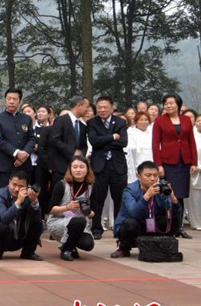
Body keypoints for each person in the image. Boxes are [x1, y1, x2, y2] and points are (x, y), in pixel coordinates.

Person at [111, 161, 183, 258]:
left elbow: (173, 214)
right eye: (148, 175)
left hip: (153, 226)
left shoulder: (161, 189)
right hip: (135, 227)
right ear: (138, 176)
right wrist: (147, 196)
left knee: (172, 218)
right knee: (130, 223)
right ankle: (124, 248)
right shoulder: (129, 191)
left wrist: (173, 198)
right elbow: (134, 213)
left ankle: (164, 245)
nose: (152, 179)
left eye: (155, 175)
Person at [152, 94, 197, 239]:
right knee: (169, 193)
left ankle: (179, 227)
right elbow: (155, 144)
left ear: (178, 104)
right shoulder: (159, 121)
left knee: (181, 195)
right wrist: (158, 164)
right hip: (168, 162)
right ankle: (168, 225)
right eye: (166, 103)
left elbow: (191, 142)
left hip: (184, 162)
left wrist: (194, 162)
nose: (168, 105)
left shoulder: (186, 120)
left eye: (171, 103)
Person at [87, 95, 128, 240]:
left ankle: (119, 227)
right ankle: (96, 228)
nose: (102, 110)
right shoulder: (92, 122)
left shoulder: (121, 122)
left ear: (112, 107)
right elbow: (94, 141)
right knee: (98, 198)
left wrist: (103, 141)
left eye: (105, 107)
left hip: (117, 166)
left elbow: (123, 142)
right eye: (99, 107)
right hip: (99, 166)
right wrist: (112, 137)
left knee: (119, 199)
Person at [0, 170, 43, 262]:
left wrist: (34, 201)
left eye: (21, 186)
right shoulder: (0, 195)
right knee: (0, 226)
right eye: (14, 185)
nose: (16, 189)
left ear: (26, 186)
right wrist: (18, 202)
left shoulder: (28, 195)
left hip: (20, 235)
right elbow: (4, 219)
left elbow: (37, 219)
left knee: (38, 223)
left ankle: (28, 252)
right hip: (2, 236)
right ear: (9, 182)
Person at [47, 157, 96, 261]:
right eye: (75, 167)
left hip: (81, 223)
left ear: (87, 169)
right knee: (78, 221)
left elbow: (94, 213)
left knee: (88, 244)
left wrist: (88, 211)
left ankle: (71, 245)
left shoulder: (91, 187)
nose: (78, 170)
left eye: (82, 167)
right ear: (70, 169)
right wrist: (67, 207)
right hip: (58, 221)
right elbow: (50, 209)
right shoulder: (62, 185)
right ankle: (66, 249)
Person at [0, 88, 36, 188]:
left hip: (24, 165)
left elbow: (32, 138)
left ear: (19, 101)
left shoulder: (26, 118)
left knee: (24, 194)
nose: (11, 101)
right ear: (5, 100)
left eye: (15, 99)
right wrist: (16, 153)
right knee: (5, 194)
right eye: (9, 99)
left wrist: (24, 154)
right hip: (6, 165)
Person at [48, 96, 89, 183]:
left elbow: (83, 145)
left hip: (77, 169)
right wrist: (72, 152)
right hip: (61, 167)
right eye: (86, 106)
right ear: (79, 106)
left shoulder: (82, 125)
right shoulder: (61, 120)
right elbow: (55, 140)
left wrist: (80, 156)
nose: (87, 110)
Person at [126, 112, 153, 183]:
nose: (143, 122)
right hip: (136, 165)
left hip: (152, 165)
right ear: (136, 121)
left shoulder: (152, 132)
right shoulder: (130, 133)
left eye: (146, 120)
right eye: (141, 120)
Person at [188, 114, 201, 230]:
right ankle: (196, 222)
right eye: (198, 120)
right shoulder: (192, 135)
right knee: (195, 198)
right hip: (196, 170)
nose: (200, 123)